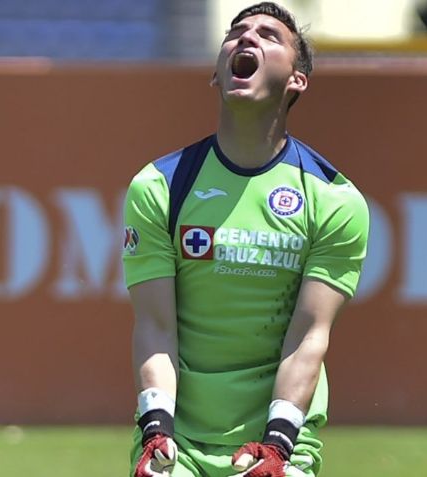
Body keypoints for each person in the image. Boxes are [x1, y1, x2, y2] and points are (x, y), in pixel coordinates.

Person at [122, 3, 369, 476]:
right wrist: (156, 428)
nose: (246, 39)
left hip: (279, 434)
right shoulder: (159, 186)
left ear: (297, 80)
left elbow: (308, 337)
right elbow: (155, 329)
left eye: (269, 35)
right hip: (178, 437)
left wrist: (277, 445)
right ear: (217, 73)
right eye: (235, 33)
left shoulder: (336, 201)